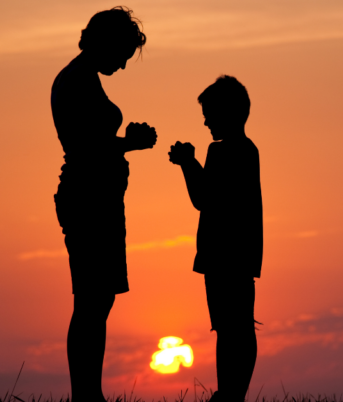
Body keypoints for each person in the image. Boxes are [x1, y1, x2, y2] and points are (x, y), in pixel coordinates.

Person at [50, 7, 157, 402]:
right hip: (88, 199)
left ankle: (88, 394)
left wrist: (126, 143)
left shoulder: (80, 78)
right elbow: (86, 147)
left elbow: (92, 142)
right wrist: (131, 143)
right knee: (92, 300)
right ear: (107, 43)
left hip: (98, 198)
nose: (124, 65)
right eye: (123, 54)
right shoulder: (76, 80)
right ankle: (86, 396)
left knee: (97, 300)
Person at [168, 75, 263, 402]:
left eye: (210, 113)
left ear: (230, 113)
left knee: (231, 328)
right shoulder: (248, 150)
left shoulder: (223, 152)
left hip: (224, 254)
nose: (206, 120)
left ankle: (230, 394)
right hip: (237, 253)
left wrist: (187, 163)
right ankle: (231, 393)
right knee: (236, 327)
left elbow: (203, 198)